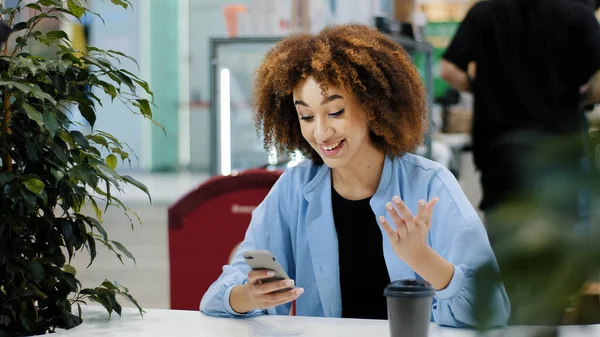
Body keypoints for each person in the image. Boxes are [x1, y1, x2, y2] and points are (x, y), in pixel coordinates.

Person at [200, 24, 510, 328]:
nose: (320, 132)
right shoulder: (294, 188)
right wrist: (249, 296)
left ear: (372, 106)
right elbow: (215, 299)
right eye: (306, 116)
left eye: (335, 112)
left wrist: (421, 258)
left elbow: (493, 309)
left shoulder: (430, 184)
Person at [440, 0, 600, 214]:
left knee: (505, 235)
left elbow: (448, 70)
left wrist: (483, 90)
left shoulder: (484, 12)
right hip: (560, 149)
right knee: (561, 235)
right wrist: (582, 98)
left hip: (500, 152)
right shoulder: (578, 14)